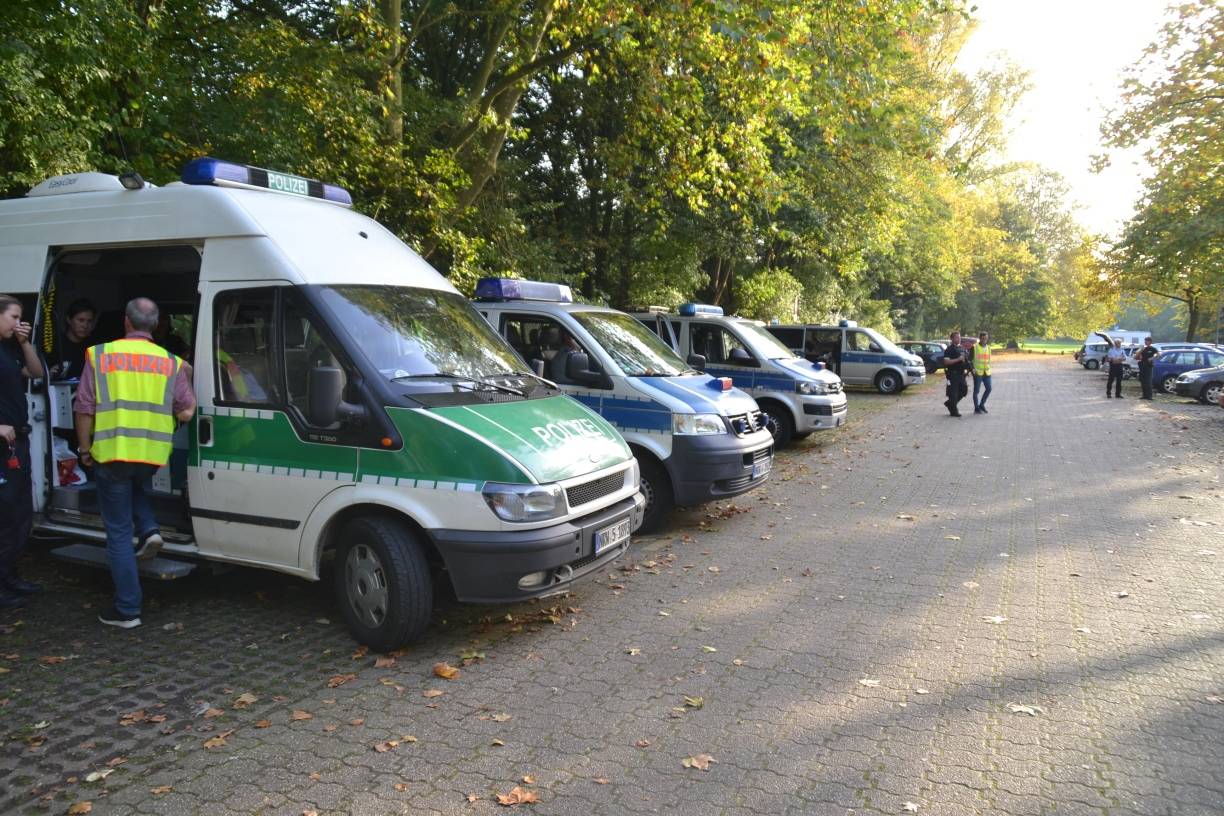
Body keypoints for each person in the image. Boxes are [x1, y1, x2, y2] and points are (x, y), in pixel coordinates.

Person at [74, 298, 195, 629]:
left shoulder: (100, 355)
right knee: (133, 485)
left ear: (126, 322)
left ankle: (127, 609)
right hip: (151, 456)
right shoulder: (171, 362)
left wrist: (84, 449)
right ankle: (150, 530)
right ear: (155, 326)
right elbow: (186, 411)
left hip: (112, 452)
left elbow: (84, 407)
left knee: (117, 533)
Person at [0, 294, 46, 609]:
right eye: (14, 317)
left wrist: (25, 342)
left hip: (18, 442)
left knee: (19, 513)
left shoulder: (11, 350)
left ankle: (10, 575)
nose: (19, 323)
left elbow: (37, 372)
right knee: (4, 515)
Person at [50, 298, 97, 380]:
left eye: (89, 321)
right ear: (69, 320)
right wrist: (50, 373)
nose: (85, 326)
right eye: (81, 320)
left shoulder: (94, 346)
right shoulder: (54, 344)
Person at [940, 331, 969, 417]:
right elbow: (946, 362)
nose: (959, 339)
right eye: (956, 337)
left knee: (964, 391)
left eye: (959, 337)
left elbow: (966, 360)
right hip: (953, 374)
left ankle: (950, 404)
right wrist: (958, 359)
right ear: (952, 339)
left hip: (961, 374)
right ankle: (954, 410)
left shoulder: (962, 348)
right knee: (953, 393)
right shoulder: (949, 350)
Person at [971, 331, 993, 414]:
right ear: (980, 338)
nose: (984, 340)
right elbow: (969, 360)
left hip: (987, 372)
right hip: (978, 372)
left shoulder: (989, 348)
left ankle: (982, 405)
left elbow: (989, 360)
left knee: (989, 389)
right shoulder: (975, 347)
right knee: (976, 391)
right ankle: (976, 408)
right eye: (983, 338)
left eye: (986, 338)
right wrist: (972, 369)